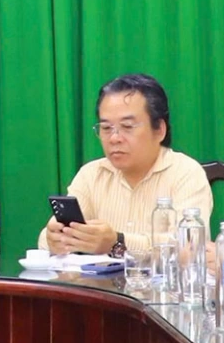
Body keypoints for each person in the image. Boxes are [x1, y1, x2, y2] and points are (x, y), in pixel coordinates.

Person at [40, 74, 210, 257]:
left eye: (127, 127)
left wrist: (118, 242)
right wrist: (55, 239)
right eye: (106, 128)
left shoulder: (186, 173)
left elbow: (188, 249)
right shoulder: (91, 175)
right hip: (98, 285)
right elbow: (45, 240)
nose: (114, 138)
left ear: (160, 129)